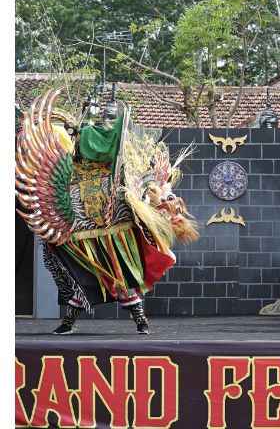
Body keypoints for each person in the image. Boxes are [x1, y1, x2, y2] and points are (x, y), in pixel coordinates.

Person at [16, 89, 198, 335]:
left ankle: (139, 321)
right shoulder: (74, 178)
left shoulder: (120, 180)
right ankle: (73, 322)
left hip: (112, 236)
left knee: (117, 279)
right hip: (86, 238)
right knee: (86, 281)